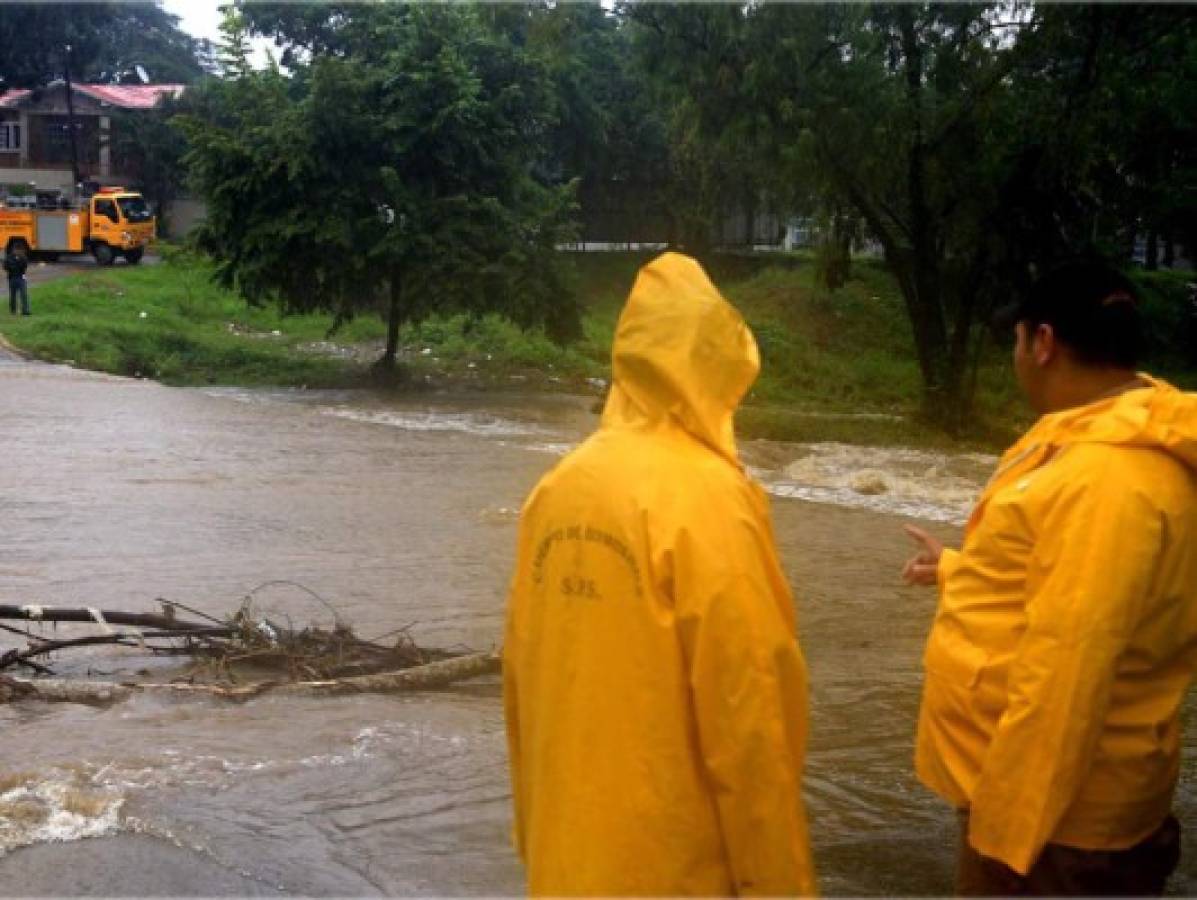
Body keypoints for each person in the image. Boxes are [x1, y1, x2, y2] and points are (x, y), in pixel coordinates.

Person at [504, 252, 816, 896]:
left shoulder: (558, 488)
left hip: (567, 864)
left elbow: (522, 686)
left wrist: (537, 845)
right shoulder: (712, 500)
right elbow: (750, 719)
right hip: (674, 871)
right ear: (719, 368)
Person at [903, 259, 1197, 896]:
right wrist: (960, 570)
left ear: (1043, 343)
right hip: (1054, 812)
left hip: (1054, 833)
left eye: (1016, 339)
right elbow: (1072, 592)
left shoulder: (1107, 479)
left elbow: (1069, 670)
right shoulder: (1094, 445)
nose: (1014, 357)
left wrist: (1004, 843)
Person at [3, 247, 29, 316]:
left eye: (19, 250)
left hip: (21, 277)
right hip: (12, 278)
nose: (18, 252)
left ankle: (25, 310)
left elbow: (25, 266)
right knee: (13, 295)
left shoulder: (23, 257)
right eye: (17, 250)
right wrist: (13, 266)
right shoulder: (9, 257)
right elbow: (5, 266)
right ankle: (13, 310)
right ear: (14, 250)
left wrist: (19, 261)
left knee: (24, 294)